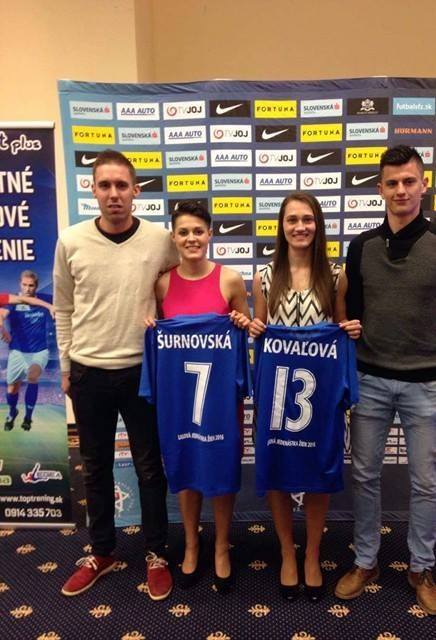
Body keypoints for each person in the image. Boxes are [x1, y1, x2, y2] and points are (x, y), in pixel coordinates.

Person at [334, 145, 436, 616]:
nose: (400, 190)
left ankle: (421, 568)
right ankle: (366, 561)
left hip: (427, 385)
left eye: (409, 181)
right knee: (364, 476)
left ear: (423, 185)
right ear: (379, 188)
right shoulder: (361, 247)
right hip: (370, 380)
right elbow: (351, 318)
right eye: (392, 182)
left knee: (426, 483)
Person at [53, 149, 178, 600]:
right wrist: (66, 367)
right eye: (104, 185)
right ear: (92, 190)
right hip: (88, 372)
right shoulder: (71, 240)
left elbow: (177, 294)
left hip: (142, 372)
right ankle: (102, 551)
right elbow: (63, 309)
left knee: (149, 467)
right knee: (95, 467)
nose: (113, 194)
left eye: (121, 185)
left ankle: (156, 553)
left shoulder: (161, 240)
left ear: (136, 191)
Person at [248, 191, 361, 602]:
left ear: (318, 225)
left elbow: (340, 326)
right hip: (277, 395)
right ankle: (286, 553)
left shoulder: (336, 276)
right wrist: (254, 328)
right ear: (281, 226)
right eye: (292, 220)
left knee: (318, 474)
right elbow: (260, 328)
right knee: (277, 472)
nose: (300, 227)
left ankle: (312, 554)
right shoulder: (264, 277)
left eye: (307, 219)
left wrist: (349, 330)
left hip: (320, 395)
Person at [144, 200, 251, 594]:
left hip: (220, 400)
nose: (191, 238)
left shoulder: (231, 280)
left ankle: (221, 545)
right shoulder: (162, 284)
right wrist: (152, 327)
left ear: (210, 235)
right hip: (181, 401)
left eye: (198, 231)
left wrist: (241, 321)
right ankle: (191, 543)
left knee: (221, 471)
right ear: (174, 237)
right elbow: (159, 336)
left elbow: (247, 331)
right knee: (186, 467)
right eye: (184, 232)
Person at [1, 271, 54, 431]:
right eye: (24, 285)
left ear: (36, 286)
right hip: (17, 351)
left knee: (33, 375)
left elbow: (65, 305)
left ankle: (28, 418)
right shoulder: (13, 301)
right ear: (20, 284)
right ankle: (12, 412)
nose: (27, 288)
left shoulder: (46, 299)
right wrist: (2, 328)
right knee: (12, 388)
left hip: (39, 351)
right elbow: (2, 313)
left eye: (31, 285)